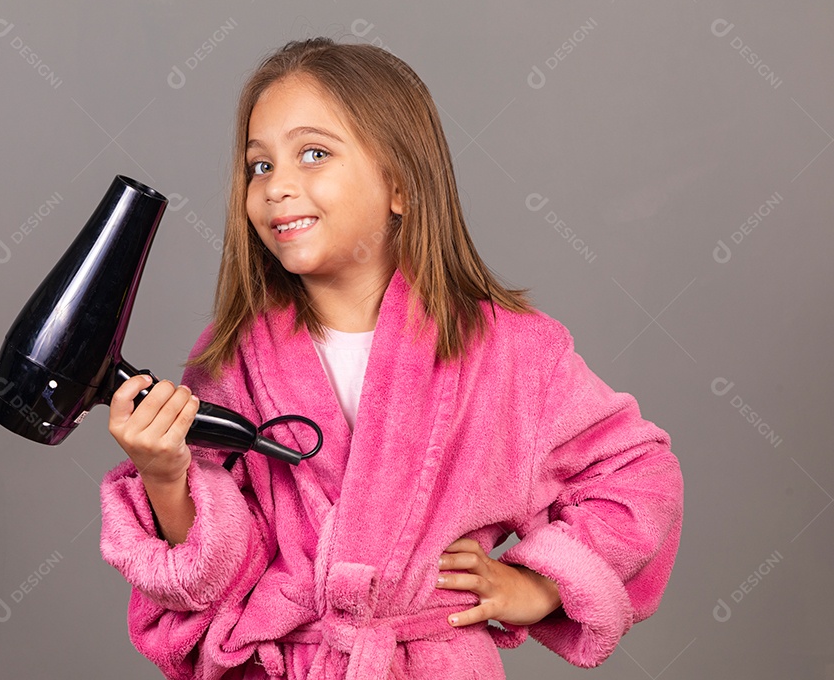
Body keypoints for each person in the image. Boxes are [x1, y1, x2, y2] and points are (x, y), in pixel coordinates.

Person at [100, 37, 683, 680]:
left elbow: (637, 476)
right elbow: (213, 579)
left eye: (313, 154)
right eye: (259, 166)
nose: (276, 187)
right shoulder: (234, 357)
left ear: (399, 185)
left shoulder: (508, 351)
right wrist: (163, 473)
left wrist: (540, 585)